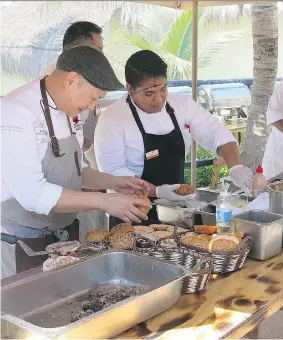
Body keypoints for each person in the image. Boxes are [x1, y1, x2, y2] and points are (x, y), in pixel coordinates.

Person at [1, 46, 150, 278]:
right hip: (21, 242)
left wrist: (114, 181)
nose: (92, 107)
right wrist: (104, 201)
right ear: (71, 80)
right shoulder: (15, 113)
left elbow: (77, 168)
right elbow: (33, 194)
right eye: (93, 98)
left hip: (63, 236)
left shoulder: (70, 112)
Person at [94, 50, 253, 224]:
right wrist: (157, 192)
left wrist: (235, 167)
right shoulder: (112, 118)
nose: (158, 99)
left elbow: (216, 132)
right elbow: (116, 174)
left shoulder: (181, 105)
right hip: (132, 212)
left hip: (178, 211)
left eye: (163, 89)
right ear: (130, 88)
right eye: (148, 94)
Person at [40, 21, 103, 168]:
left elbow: (86, 139)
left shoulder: (93, 76)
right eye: (97, 50)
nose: (102, 57)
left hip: (80, 161)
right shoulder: (50, 83)